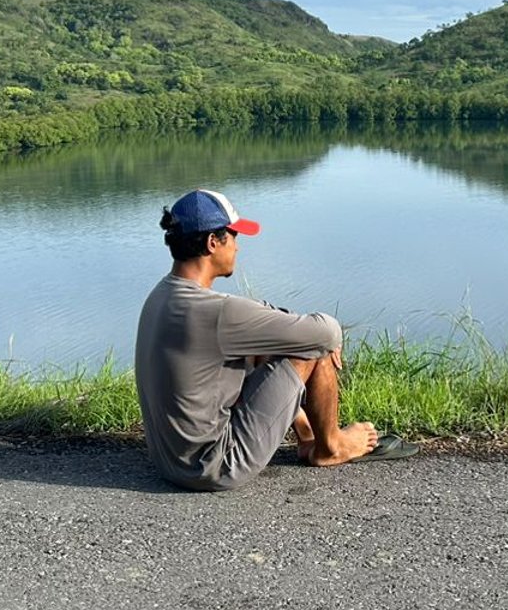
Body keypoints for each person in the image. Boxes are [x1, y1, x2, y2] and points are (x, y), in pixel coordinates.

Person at [134, 188, 414, 491]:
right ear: (213, 242)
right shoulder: (216, 313)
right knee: (312, 348)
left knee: (269, 342)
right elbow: (326, 332)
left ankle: (307, 436)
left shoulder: (160, 296)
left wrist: (279, 327)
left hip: (168, 463)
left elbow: (252, 324)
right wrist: (324, 340)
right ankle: (331, 447)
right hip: (214, 466)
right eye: (234, 236)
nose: (238, 247)